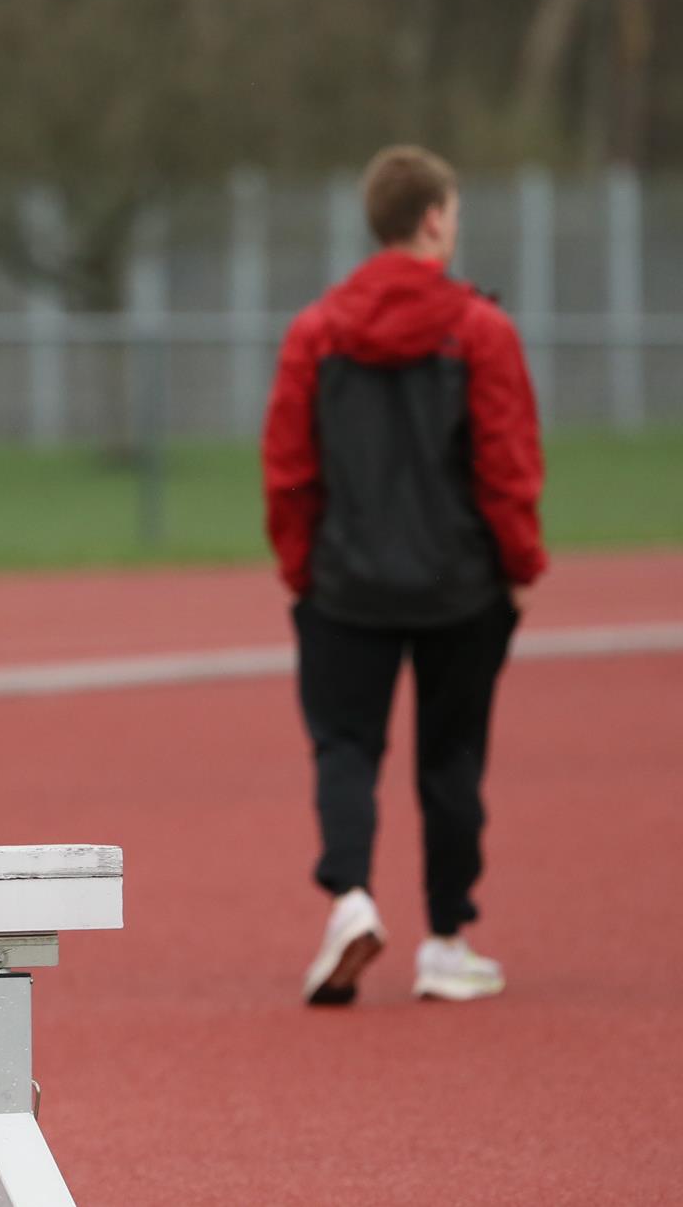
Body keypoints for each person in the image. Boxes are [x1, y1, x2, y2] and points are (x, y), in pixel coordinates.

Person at [264, 145, 546, 1006]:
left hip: (346, 584)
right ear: (431, 218)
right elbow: (506, 464)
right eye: (452, 213)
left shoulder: (316, 331)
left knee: (345, 747)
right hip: (460, 586)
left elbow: (289, 465)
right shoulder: (481, 330)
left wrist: (301, 567)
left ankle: (351, 899)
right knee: (452, 757)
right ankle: (447, 939)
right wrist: (521, 563)